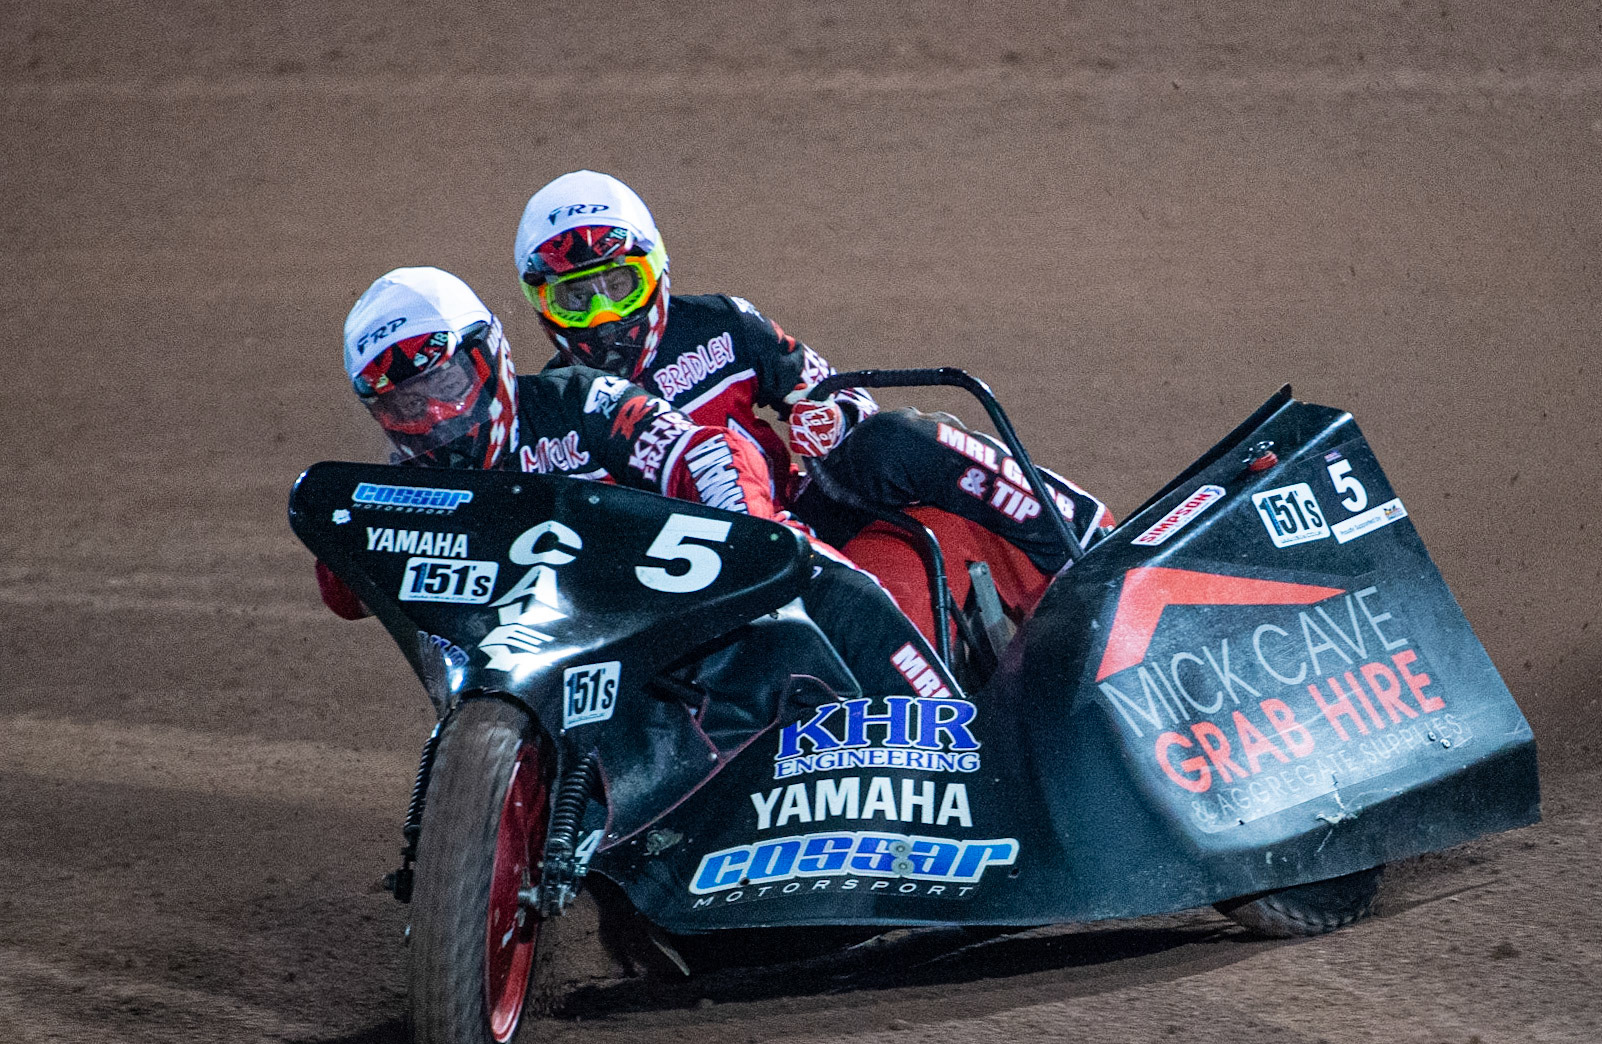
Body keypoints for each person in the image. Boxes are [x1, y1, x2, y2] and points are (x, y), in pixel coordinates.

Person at [512, 171, 1114, 631]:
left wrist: (831, 417)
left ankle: (1087, 544)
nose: (605, 316)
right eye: (576, 298)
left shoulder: (725, 324)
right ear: (542, 307)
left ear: (657, 270)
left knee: (895, 440)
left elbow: (842, 396)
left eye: (620, 285)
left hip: (797, 526)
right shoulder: (555, 411)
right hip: (680, 596)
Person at [326, 265, 958, 700]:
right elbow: (342, 592)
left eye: (446, 382)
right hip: (528, 667)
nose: (435, 416)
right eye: (404, 404)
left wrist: (756, 538)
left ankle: (948, 735)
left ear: (490, 356)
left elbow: (705, 448)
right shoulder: (401, 496)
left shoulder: (583, 399)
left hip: (664, 623)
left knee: (838, 590)